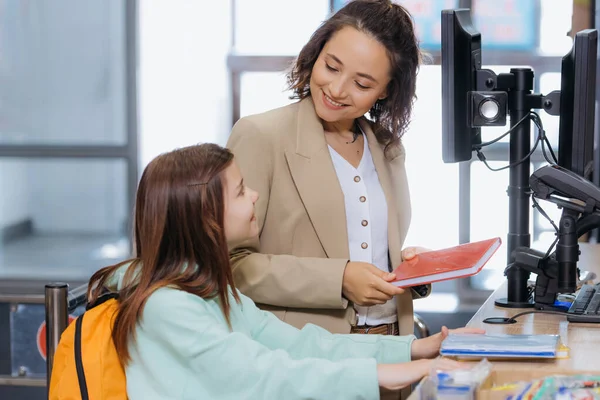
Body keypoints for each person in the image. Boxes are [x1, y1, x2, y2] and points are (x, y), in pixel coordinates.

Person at [85, 143, 483, 399]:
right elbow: (264, 377)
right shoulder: (166, 307)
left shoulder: (205, 290)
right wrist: (387, 374)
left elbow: (300, 346)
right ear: (207, 217)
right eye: (241, 190)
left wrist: (413, 349)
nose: (255, 195)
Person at [227, 0, 427, 344]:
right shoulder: (261, 136)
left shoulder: (387, 147)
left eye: (362, 84)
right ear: (315, 54)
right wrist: (339, 279)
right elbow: (229, 265)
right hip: (303, 356)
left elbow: (376, 250)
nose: (336, 89)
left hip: (395, 343)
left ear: (387, 91)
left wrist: (410, 270)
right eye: (331, 67)